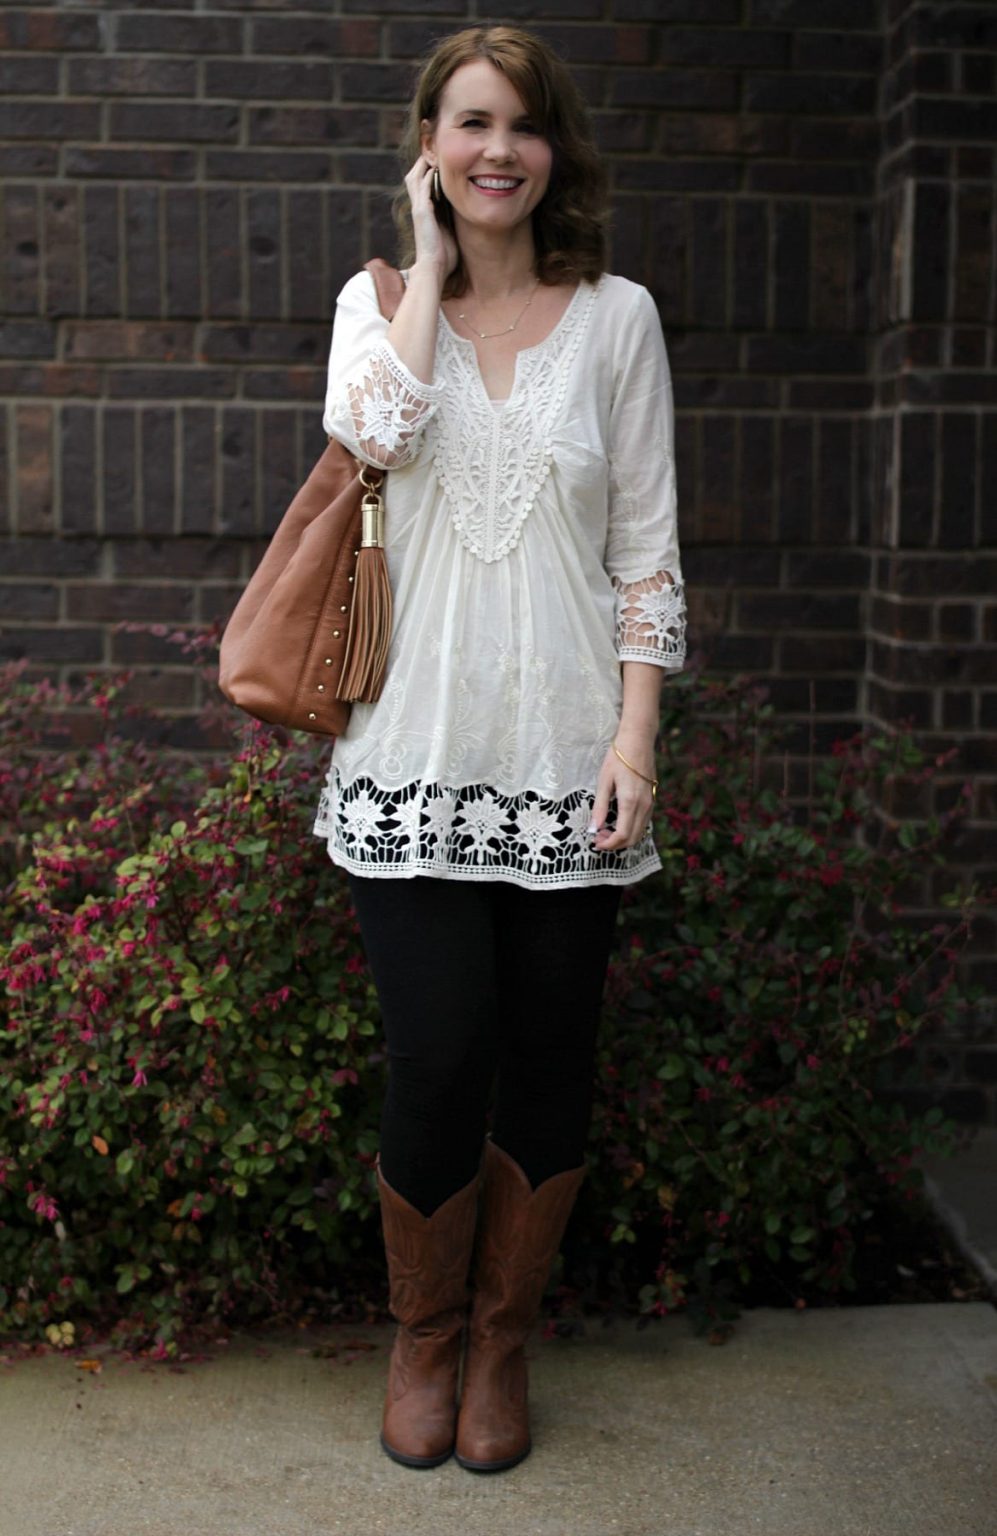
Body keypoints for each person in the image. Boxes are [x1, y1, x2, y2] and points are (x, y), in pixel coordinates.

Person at [314, 24, 686, 1474]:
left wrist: (636, 741)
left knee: (546, 1060)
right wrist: (417, 265)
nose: (495, 152)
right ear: (429, 143)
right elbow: (374, 438)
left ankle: (499, 1347)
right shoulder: (372, 304)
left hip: (567, 760)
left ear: (555, 153)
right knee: (437, 1054)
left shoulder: (619, 319)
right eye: (468, 125)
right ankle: (419, 1336)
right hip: (407, 755)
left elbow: (644, 551)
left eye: (522, 128)